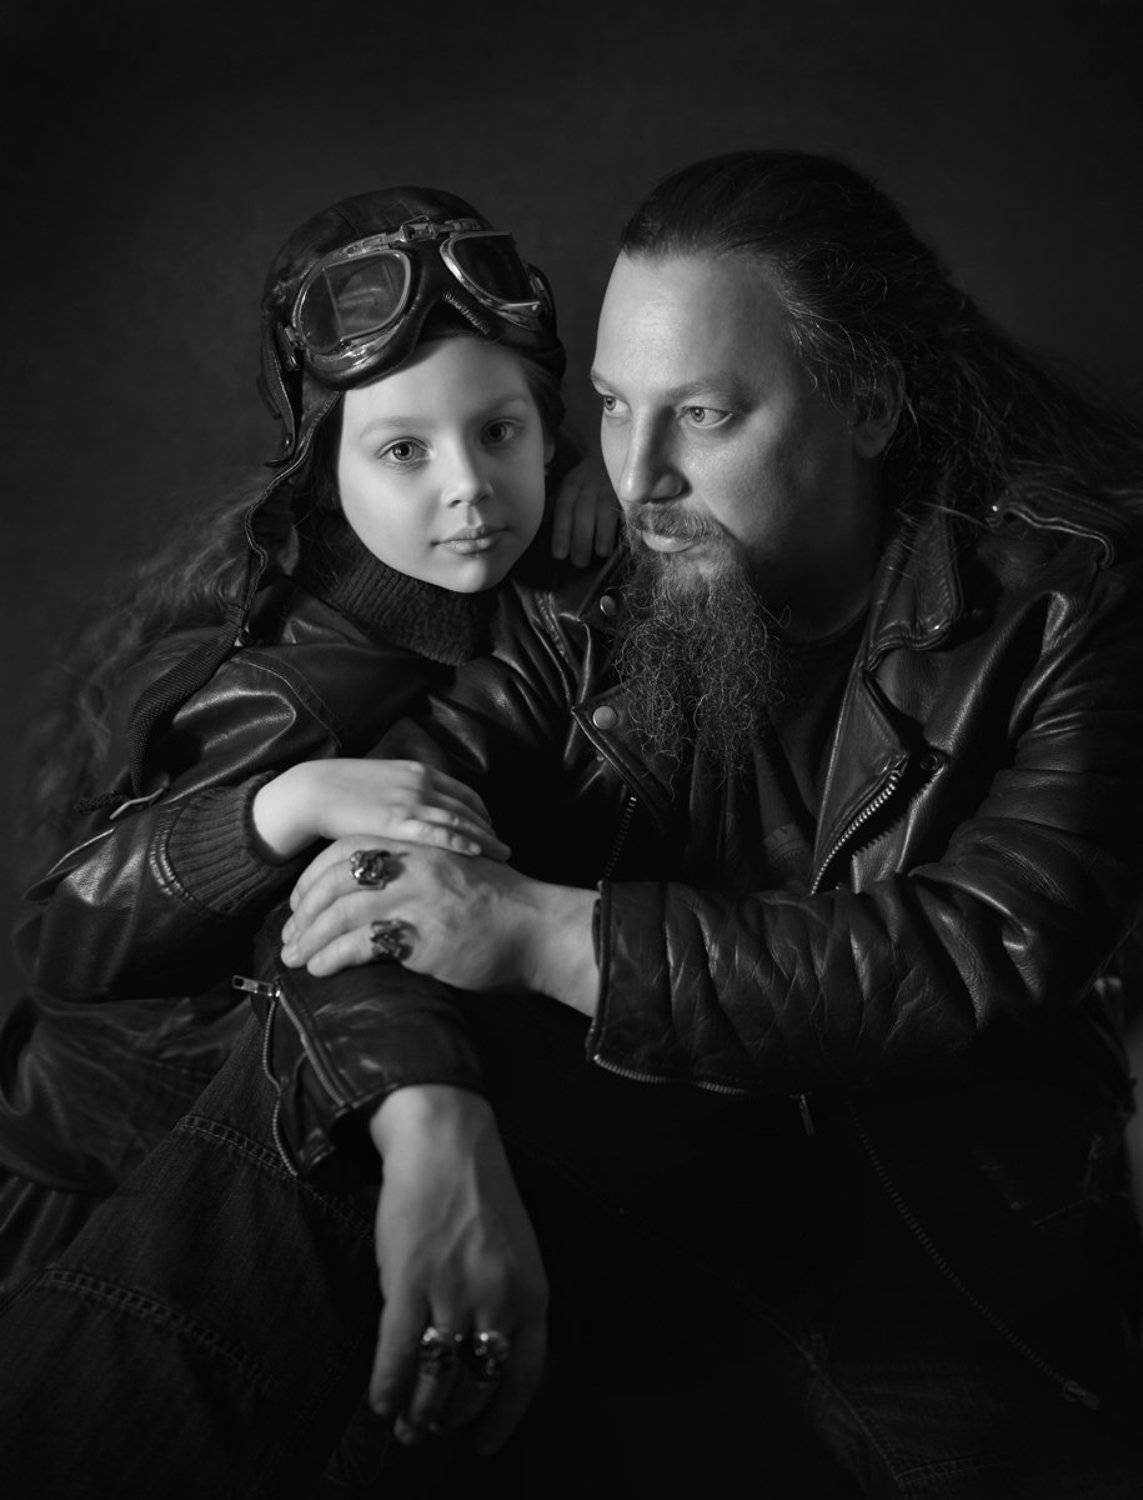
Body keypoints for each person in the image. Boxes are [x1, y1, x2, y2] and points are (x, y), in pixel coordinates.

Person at [4, 149, 1143, 1498]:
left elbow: (969, 952)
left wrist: (541, 933)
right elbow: (373, 871)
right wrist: (432, 1131)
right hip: (632, 1194)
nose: (639, 476)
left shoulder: (1072, 605)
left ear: (870, 403)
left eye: (702, 415)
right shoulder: (589, 603)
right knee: (323, 1123)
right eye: (611, 408)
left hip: (923, 1256)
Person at [0, 183, 616, 1295]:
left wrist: (608, 472)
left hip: (282, 1126)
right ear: (325, 468)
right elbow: (62, 938)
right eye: (403, 451)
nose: (471, 489)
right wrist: (281, 808)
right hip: (98, 1180)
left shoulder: (497, 555)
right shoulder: (294, 688)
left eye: (499, 432)